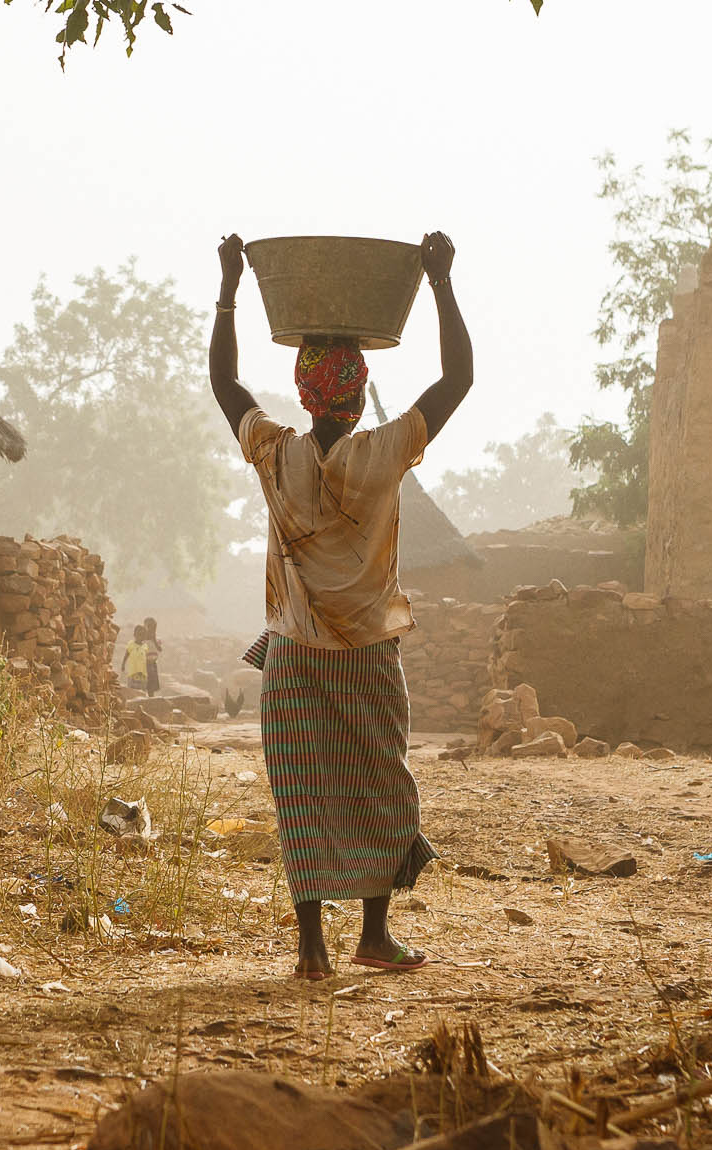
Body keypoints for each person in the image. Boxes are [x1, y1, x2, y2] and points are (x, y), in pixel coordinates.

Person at [209, 230, 472, 981]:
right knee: (382, 787)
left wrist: (229, 287)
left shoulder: (276, 453)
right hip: (364, 655)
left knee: (302, 796)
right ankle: (375, 934)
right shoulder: (381, 454)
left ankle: (311, 951)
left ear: (304, 393)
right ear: (357, 395)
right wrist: (443, 283)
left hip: (292, 655)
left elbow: (225, 384)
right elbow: (458, 379)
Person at [141, 618, 163, 698]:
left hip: (153, 663)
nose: (151, 629)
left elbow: (159, 649)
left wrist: (154, 640)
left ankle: (150, 698)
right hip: (145, 663)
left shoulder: (156, 640)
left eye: (153, 627)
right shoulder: (142, 640)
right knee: (147, 683)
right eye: (149, 627)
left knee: (151, 685)